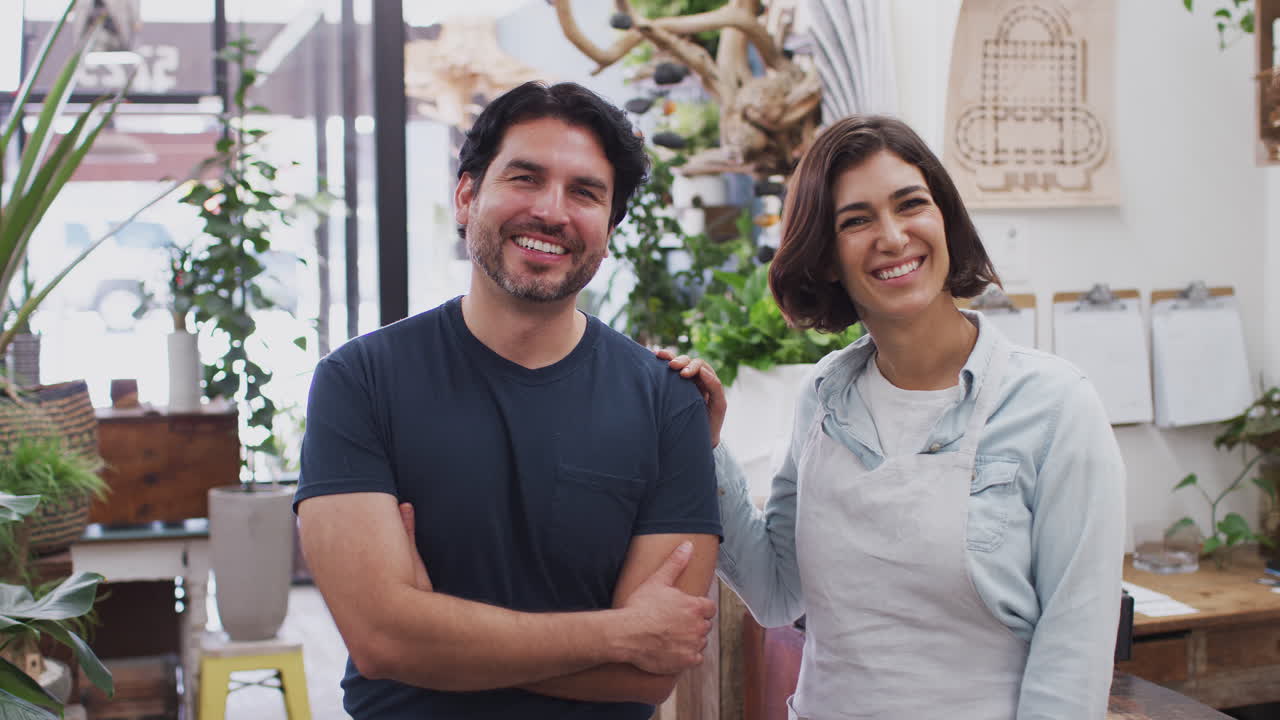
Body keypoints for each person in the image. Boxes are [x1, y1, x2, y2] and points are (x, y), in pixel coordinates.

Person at [662, 114, 1125, 719]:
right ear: (826, 256)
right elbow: (776, 593)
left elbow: (1073, 660)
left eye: (911, 205)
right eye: (857, 220)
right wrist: (704, 446)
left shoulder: (1055, 406)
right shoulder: (823, 395)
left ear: (945, 220)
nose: (893, 236)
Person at [294, 80, 722, 719]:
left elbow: (645, 675)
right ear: (467, 195)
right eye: (525, 178)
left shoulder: (670, 403)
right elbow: (383, 640)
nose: (552, 212)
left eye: (585, 192)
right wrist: (617, 631)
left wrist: (435, 638)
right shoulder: (360, 381)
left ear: (610, 226)